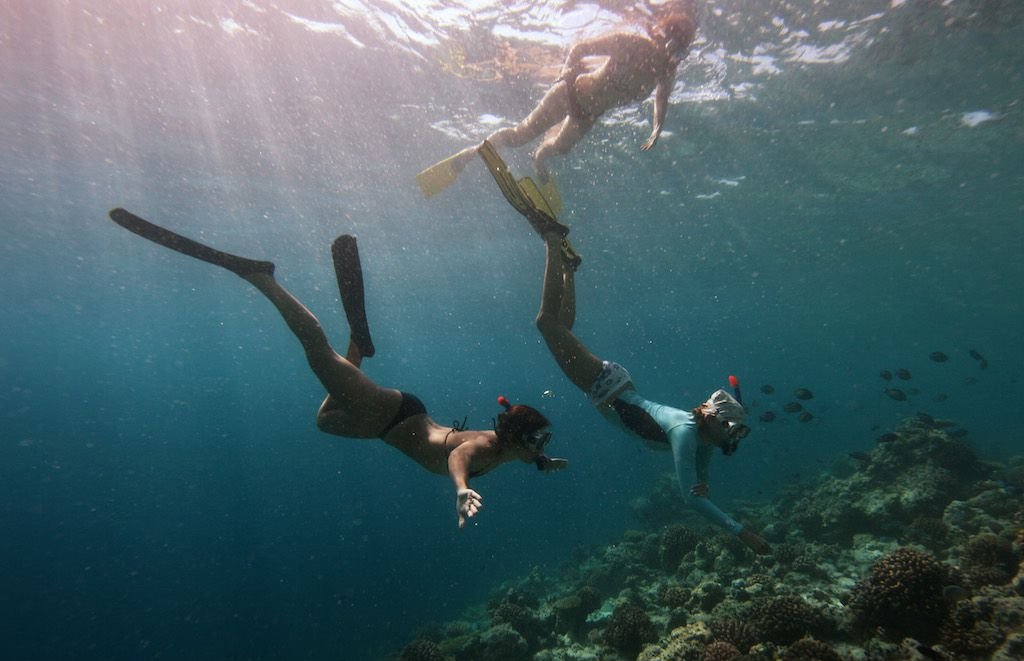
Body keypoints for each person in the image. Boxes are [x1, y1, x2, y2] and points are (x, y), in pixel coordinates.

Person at [107, 208, 566, 529]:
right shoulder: (487, 448)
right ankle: (261, 277)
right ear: (514, 438)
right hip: (389, 418)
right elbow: (458, 456)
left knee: (325, 420)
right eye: (539, 441)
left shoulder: (510, 450)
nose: (541, 447)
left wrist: (541, 462)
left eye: (541, 443)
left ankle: (359, 346)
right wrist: (461, 489)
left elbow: (503, 451)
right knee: (314, 349)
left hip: (397, 418)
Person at [476, 149, 771, 555]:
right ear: (714, 420)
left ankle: (568, 267)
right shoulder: (687, 432)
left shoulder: (703, 441)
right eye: (732, 429)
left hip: (611, 386)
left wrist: (714, 482)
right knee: (547, 324)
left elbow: (701, 485)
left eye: (735, 433)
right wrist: (740, 531)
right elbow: (691, 496)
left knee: (563, 328)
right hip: (604, 386)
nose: (733, 437)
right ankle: (551, 238)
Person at [416, 1, 699, 197]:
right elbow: (580, 48)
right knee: (520, 135)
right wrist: (565, 74)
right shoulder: (632, 43)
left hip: (588, 114)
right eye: (676, 45)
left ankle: (538, 162)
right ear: (664, 36)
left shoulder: (666, 71)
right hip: (571, 92)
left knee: (558, 150)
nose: (675, 55)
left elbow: (662, 99)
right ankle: (471, 153)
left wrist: (657, 127)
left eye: (681, 51)